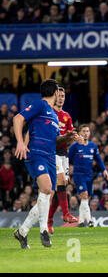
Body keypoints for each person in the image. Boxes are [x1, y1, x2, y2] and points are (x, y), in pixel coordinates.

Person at [13, 79, 77, 249]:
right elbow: (18, 118)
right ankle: (43, 231)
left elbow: (56, 140)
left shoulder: (54, 115)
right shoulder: (40, 105)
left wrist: (68, 137)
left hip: (50, 157)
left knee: (47, 194)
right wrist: (20, 142)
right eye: (59, 93)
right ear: (55, 93)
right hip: (37, 154)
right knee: (47, 189)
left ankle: (22, 232)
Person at [47, 87, 79, 234]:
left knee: (61, 185)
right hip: (53, 152)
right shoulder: (49, 113)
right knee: (59, 182)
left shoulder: (66, 116)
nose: (61, 99)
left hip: (64, 154)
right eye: (58, 96)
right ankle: (66, 214)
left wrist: (76, 137)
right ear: (54, 97)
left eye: (63, 96)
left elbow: (71, 134)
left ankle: (49, 220)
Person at [68, 124, 108, 227]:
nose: (86, 133)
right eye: (84, 131)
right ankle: (90, 220)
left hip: (89, 175)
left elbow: (98, 159)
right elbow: (66, 159)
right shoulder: (74, 146)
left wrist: (104, 170)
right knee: (85, 195)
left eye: (87, 131)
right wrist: (66, 172)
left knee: (86, 198)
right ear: (79, 133)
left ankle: (81, 221)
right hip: (78, 175)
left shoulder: (93, 146)